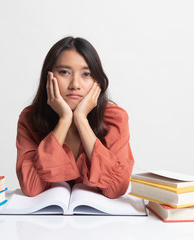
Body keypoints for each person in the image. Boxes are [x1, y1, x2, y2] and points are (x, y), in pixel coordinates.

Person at [16, 36, 134, 199]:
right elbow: (31, 186)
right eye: (64, 72)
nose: (75, 84)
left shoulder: (115, 118)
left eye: (86, 74)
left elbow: (116, 188)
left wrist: (81, 119)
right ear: (48, 77)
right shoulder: (30, 118)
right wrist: (64, 120)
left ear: (97, 81)